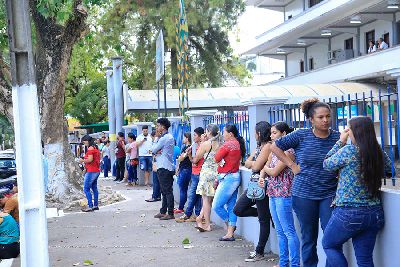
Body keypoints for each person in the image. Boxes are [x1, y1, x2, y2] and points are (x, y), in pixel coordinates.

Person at [270, 98, 340, 267]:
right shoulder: (301, 135)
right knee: (309, 238)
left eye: (328, 116)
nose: (325, 120)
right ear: (311, 119)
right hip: (304, 194)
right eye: (321, 117)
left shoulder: (338, 137)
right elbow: (274, 147)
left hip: (329, 193)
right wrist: (291, 165)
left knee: (332, 237)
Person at [322, 116, 392, 267]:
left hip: (349, 212)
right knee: (365, 259)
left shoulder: (348, 151)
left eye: (349, 129)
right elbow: (389, 170)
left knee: (329, 245)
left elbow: (327, 163)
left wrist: (340, 141)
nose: (347, 132)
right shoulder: (377, 151)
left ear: (355, 132)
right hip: (375, 213)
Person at [261, 121, 300, 267]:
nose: (271, 136)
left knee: (288, 230)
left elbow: (274, 171)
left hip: (284, 194)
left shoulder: (289, 152)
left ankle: (294, 263)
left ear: (283, 134)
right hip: (272, 192)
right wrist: (263, 173)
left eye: (274, 133)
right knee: (279, 231)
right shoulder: (274, 149)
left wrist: (265, 168)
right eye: (271, 133)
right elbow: (266, 169)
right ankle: (283, 262)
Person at [233, 121, 273, 262]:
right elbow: (247, 162)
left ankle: (259, 251)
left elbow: (255, 166)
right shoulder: (259, 147)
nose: (254, 134)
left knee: (263, 220)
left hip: (262, 185)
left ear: (260, 133)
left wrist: (253, 164)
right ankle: (267, 215)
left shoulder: (268, 146)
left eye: (255, 132)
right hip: (253, 185)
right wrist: (253, 163)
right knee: (238, 209)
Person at [213, 124, 246, 241]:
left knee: (216, 206)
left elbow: (216, 158)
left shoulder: (228, 144)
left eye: (224, 132)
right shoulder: (237, 144)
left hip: (228, 178)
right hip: (235, 176)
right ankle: (230, 233)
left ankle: (230, 228)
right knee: (231, 206)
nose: (223, 134)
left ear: (230, 134)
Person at [193, 124, 221, 232]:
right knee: (210, 199)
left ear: (208, 132)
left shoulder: (205, 144)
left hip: (206, 173)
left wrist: (203, 142)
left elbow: (196, 160)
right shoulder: (221, 144)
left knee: (205, 199)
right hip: (217, 173)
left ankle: (207, 224)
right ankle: (200, 218)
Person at [176, 127, 205, 223]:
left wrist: (188, 155)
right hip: (195, 172)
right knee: (197, 195)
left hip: (198, 172)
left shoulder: (201, 146)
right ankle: (196, 214)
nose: (194, 137)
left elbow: (195, 161)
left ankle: (188, 214)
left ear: (200, 136)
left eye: (195, 135)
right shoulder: (197, 146)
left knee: (192, 194)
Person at [152, 118, 176, 220]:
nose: (157, 128)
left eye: (158, 126)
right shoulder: (168, 137)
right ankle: (163, 211)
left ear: (163, 127)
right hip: (166, 166)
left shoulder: (164, 138)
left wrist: (156, 139)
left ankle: (170, 213)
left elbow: (153, 149)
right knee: (164, 190)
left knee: (167, 191)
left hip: (164, 167)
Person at [80, 135, 101, 212]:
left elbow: (90, 160)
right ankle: (95, 205)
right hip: (96, 170)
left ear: (87, 140)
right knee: (94, 188)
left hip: (91, 171)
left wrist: (82, 160)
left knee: (86, 188)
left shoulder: (90, 148)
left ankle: (90, 206)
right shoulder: (95, 147)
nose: (83, 143)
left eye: (84, 141)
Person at [174, 132, 192, 214]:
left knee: (183, 189)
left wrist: (179, 158)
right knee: (183, 189)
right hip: (184, 169)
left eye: (184, 137)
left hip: (185, 170)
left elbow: (181, 158)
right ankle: (181, 207)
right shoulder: (187, 147)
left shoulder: (188, 148)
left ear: (187, 138)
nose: (182, 139)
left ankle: (181, 207)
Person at [145, 130, 161, 202]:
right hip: (156, 162)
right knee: (156, 180)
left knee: (156, 180)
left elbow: (153, 150)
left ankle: (155, 196)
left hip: (157, 162)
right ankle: (156, 195)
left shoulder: (158, 141)